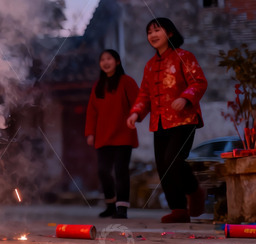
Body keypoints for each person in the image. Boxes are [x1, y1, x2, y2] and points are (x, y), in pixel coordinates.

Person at [126, 18, 208, 223]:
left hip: (184, 120)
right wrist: (136, 113)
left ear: (170, 33)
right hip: (159, 122)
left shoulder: (184, 57)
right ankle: (179, 210)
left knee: (174, 160)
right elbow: (144, 94)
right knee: (163, 166)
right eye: (149, 32)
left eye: (157, 30)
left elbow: (199, 81)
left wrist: (184, 97)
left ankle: (195, 192)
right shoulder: (150, 66)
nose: (152, 35)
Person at [85, 49, 139, 219]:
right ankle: (110, 204)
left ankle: (121, 207)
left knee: (120, 171)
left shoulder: (127, 82)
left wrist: (134, 116)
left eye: (109, 58)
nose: (105, 62)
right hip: (103, 136)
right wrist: (90, 133)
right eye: (102, 59)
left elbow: (138, 102)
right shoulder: (98, 85)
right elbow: (92, 111)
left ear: (117, 62)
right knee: (102, 171)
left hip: (123, 134)